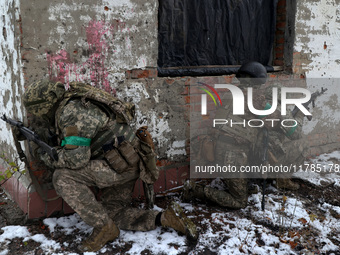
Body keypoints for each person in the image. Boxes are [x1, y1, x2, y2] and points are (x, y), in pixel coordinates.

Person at [22, 80, 197, 252]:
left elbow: (76, 160)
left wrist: (45, 156)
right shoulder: (75, 100)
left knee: (62, 177)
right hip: (128, 162)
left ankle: (104, 229)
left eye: (36, 112)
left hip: (118, 167)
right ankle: (165, 218)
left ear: (44, 106)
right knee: (113, 213)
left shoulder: (72, 112)